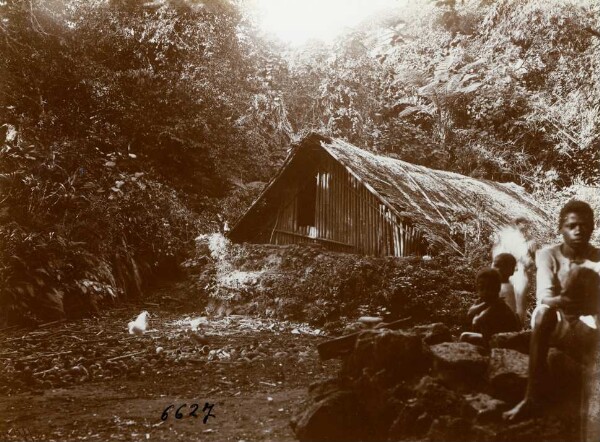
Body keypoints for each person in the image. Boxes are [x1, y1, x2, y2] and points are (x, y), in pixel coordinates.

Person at [504, 200, 600, 422]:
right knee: (542, 313)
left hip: (592, 326)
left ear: (593, 228)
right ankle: (531, 398)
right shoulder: (548, 255)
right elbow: (545, 297)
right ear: (561, 229)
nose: (579, 230)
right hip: (562, 324)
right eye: (572, 225)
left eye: (585, 225)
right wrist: (569, 301)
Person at [459, 267, 521, 346]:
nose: (485, 292)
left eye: (490, 288)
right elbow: (470, 313)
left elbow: (476, 322)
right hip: (489, 339)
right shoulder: (483, 302)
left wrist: (490, 304)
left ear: (497, 289)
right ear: (477, 288)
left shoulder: (499, 305)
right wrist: (486, 304)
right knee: (464, 336)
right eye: (482, 288)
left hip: (504, 343)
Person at [492, 217, 537, 324]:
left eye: (527, 224)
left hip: (522, 273)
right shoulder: (507, 238)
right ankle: (504, 324)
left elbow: (535, 259)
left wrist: (529, 263)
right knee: (505, 298)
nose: (525, 227)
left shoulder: (530, 241)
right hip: (506, 273)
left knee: (520, 300)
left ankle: (519, 326)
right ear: (517, 225)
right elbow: (497, 255)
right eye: (522, 224)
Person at [493, 253, 518, 318]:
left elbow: (510, 311)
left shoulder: (506, 289)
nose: (497, 269)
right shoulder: (495, 285)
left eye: (500, 266)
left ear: (511, 270)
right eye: (495, 266)